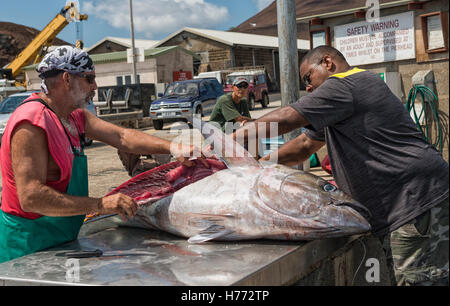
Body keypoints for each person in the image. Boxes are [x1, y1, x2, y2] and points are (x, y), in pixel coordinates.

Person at [233, 45, 449, 286]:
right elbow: (304, 145)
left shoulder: (346, 84)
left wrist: (225, 141)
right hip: (403, 204)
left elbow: (286, 117)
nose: (308, 87)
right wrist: (255, 165)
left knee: (419, 279)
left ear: (327, 62)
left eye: (308, 77)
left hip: (416, 201)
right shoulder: (341, 102)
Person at [0, 46, 209, 263]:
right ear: (67, 79)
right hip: (26, 247)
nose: (95, 86)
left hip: (61, 241)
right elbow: (30, 197)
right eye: (89, 79)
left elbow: (122, 137)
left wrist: (174, 147)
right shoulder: (32, 122)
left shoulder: (74, 117)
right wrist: (99, 204)